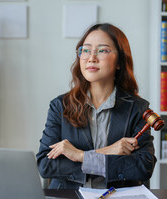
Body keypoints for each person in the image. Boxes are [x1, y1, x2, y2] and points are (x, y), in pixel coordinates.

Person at [36, 23, 156, 189]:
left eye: (102, 50)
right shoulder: (60, 106)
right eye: (85, 50)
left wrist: (79, 156)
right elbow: (45, 164)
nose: (91, 57)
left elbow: (144, 166)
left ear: (120, 61)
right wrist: (108, 152)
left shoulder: (137, 108)